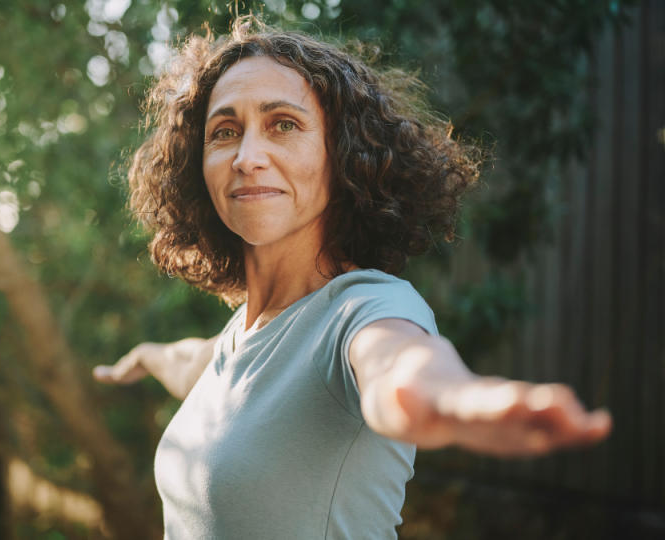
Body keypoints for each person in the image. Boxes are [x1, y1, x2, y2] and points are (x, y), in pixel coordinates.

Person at [93, 17, 612, 539]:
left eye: (283, 124)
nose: (247, 157)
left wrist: (455, 401)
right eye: (225, 132)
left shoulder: (362, 310)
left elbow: (400, 366)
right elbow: (188, 361)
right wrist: (144, 358)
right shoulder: (239, 338)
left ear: (341, 155)